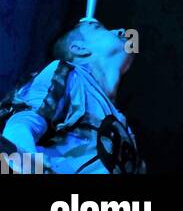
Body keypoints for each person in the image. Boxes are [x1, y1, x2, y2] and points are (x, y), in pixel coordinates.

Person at [0, 18, 143, 174]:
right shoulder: (68, 74)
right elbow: (23, 122)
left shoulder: (123, 124)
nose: (121, 30)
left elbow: (134, 41)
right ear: (79, 48)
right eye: (99, 28)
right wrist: (25, 163)